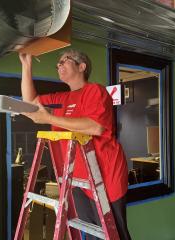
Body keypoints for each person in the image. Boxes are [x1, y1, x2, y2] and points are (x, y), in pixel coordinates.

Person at [19, 49, 131, 240]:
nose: (59, 65)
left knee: (113, 235)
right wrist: (26, 64)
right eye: (57, 64)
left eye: (64, 61)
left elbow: (95, 127)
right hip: (77, 179)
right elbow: (30, 102)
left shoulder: (95, 91)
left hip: (105, 179)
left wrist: (49, 117)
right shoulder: (61, 99)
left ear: (82, 66)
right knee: (93, 235)